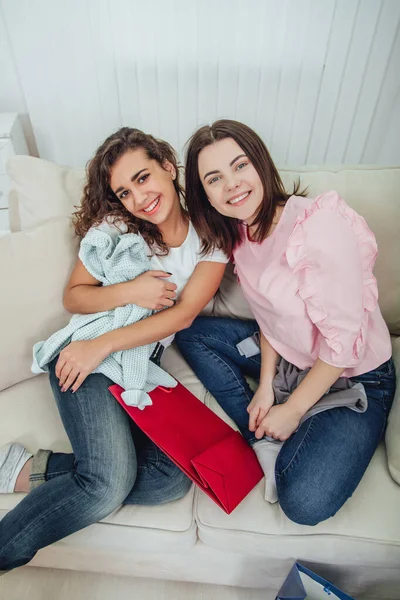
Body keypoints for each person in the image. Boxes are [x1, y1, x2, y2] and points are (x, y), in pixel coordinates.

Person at [0, 127, 228, 571]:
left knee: (171, 481)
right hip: (82, 358)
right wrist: (130, 291)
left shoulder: (211, 240)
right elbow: (76, 297)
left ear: (168, 166)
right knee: (105, 486)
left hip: (133, 357)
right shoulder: (117, 228)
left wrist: (105, 344)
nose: (139, 198)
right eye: (124, 191)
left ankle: (32, 469)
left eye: (143, 178)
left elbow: (181, 317)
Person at [175, 119, 395, 525]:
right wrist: (263, 387)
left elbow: (344, 343)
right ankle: (260, 431)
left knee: (304, 502)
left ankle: (283, 427)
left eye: (240, 166)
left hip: (354, 373)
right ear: (204, 192)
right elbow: (270, 319)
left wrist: (293, 409)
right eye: (214, 178)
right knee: (190, 332)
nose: (232, 185)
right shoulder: (238, 232)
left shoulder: (317, 226)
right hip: (293, 360)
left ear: (260, 163)